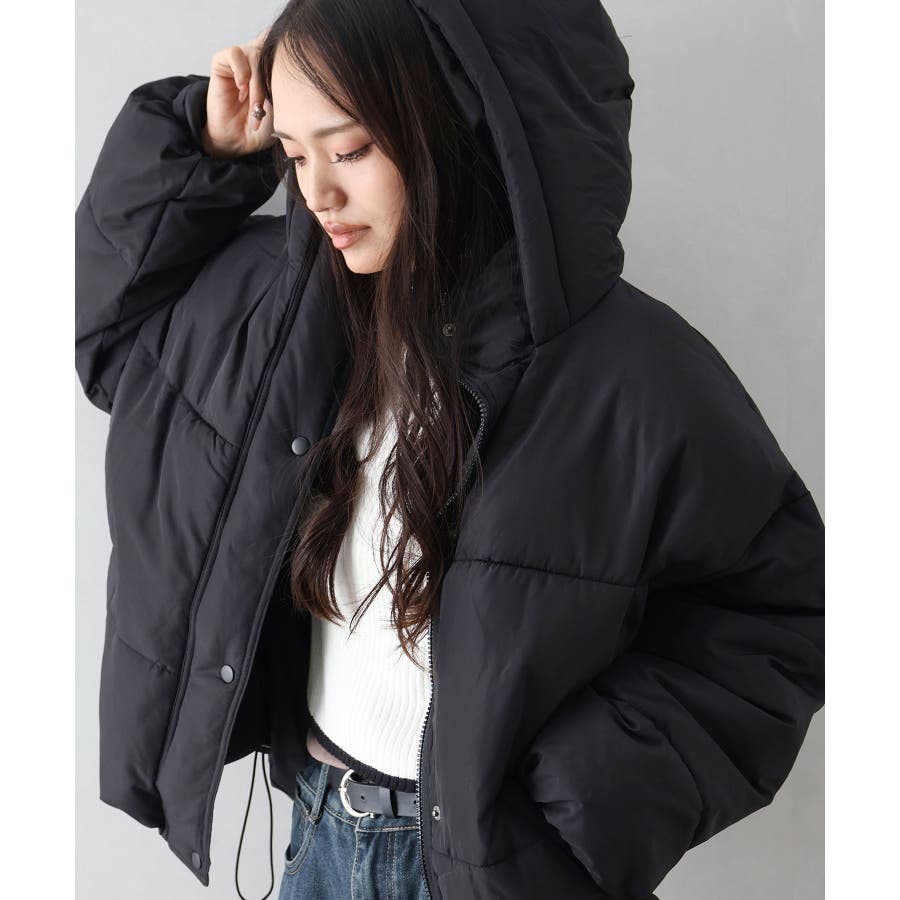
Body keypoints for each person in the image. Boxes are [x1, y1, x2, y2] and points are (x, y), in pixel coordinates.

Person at [74, 1, 826, 899]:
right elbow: (113, 341)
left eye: (351, 149)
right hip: (314, 833)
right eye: (296, 156)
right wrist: (199, 142)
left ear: (457, 126)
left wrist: (576, 801)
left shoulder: (634, 374)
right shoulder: (280, 319)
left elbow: (780, 616)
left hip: (487, 875)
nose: (316, 196)